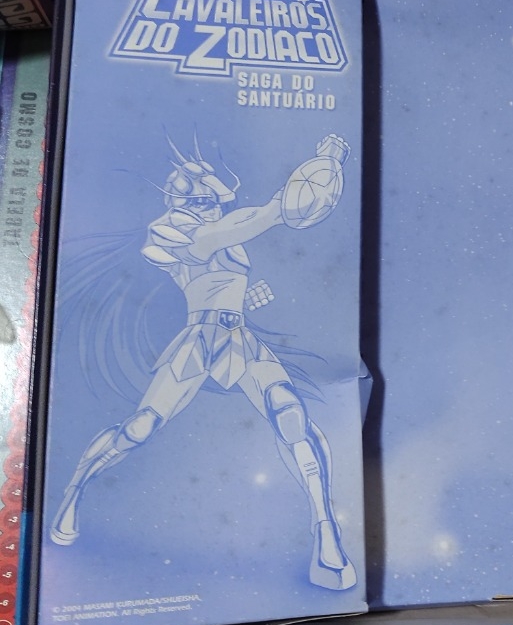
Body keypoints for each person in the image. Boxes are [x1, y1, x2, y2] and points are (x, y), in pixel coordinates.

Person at [50, 134, 356, 591]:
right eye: (202, 200)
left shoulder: (222, 234)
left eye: (214, 201)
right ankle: (74, 491)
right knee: (140, 427)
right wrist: (284, 203)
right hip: (197, 342)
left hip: (239, 337)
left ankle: (326, 532)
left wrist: (244, 298)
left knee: (292, 415)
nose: (211, 207)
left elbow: (221, 269)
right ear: (183, 202)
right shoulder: (179, 233)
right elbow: (226, 233)